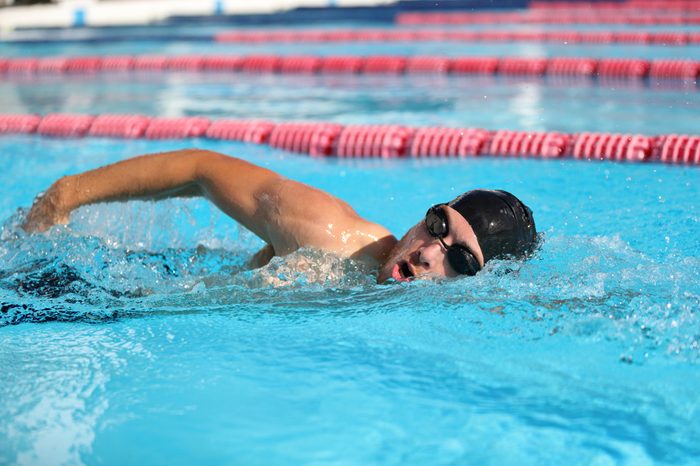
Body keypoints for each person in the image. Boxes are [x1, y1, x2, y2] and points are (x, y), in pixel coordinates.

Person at [22, 149, 537, 284]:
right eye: (438, 226)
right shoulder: (329, 236)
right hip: (99, 293)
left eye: (462, 262)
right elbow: (200, 169)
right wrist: (67, 194)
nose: (427, 253)